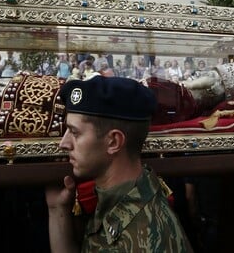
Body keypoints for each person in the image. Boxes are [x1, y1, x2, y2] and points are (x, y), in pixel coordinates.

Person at [45, 76, 192, 252]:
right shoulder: (119, 196)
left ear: (114, 142)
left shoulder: (147, 238)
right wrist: (57, 210)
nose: (64, 143)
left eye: (75, 133)